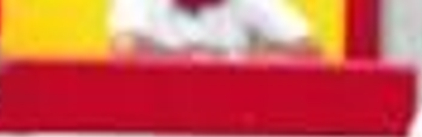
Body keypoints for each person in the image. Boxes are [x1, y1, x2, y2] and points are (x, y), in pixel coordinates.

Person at [109, 0, 319, 60]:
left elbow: (309, 51)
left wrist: (233, 58)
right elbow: (124, 51)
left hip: (237, 109)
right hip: (157, 106)